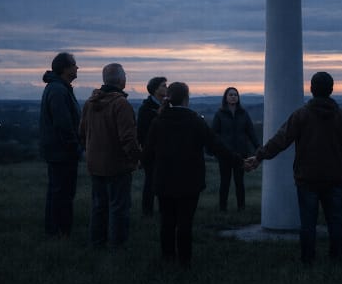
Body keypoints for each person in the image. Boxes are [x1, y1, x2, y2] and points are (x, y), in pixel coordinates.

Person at [244, 72, 342, 265]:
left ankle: (308, 259)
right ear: (331, 90)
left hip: (307, 178)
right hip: (334, 177)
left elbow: (281, 139)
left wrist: (259, 157)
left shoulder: (301, 115)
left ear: (312, 89)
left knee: (307, 223)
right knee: (335, 221)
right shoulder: (341, 117)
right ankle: (338, 257)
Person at [142, 82, 241, 266]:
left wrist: (143, 164)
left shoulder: (158, 121)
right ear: (186, 99)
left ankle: (167, 258)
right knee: (185, 223)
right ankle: (184, 262)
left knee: (167, 222)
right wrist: (239, 161)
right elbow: (216, 146)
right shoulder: (196, 121)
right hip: (190, 181)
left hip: (164, 180)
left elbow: (148, 152)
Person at [78, 63, 141, 248]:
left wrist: (91, 153)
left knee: (98, 206)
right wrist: (137, 158)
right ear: (122, 80)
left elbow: (82, 133)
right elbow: (128, 138)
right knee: (119, 208)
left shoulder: (90, 103)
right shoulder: (121, 104)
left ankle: (96, 243)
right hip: (117, 165)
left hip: (95, 165)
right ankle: (117, 247)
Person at [38, 52, 81, 238]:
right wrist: (75, 148)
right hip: (61, 152)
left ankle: (56, 230)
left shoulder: (59, 88)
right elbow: (64, 125)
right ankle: (58, 232)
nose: (77, 68)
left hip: (60, 151)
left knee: (58, 192)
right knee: (61, 193)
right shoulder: (58, 90)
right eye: (74, 65)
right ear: (65, 68)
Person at [211, 87, 260, 212]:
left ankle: (241, 209)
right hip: (225, 154)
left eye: (235, 95)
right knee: (225, 182)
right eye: (230, 95)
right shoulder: (219, 114)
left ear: (238, 98)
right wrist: (215, 151)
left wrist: (258, 148)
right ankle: (222, 209)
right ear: (225, 98)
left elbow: (251, 132)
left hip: (241, 153)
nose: (233, 97)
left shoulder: (243, 114)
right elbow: (214, 134)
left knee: (239, 182)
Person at [137, 76, 167, 217]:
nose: (166, 88)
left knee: (164, 183)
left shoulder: (167, 106)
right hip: (151, 152)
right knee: (150, 182)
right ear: (155, 89)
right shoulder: (146, 109)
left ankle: (163, 211)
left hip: (165, 152)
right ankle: (147, 213)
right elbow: (142, 132)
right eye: (163, 85)